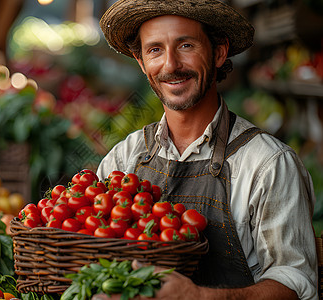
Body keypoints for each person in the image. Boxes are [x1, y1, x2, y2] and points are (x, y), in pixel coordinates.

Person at [94, 0, 318, 299]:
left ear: (219, 52)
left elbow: (294, 283)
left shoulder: (268, 163)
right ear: (141, 61)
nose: (171, 65)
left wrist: (198, 297)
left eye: (186, 45)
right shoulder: (123, 159)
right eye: (155, 49)